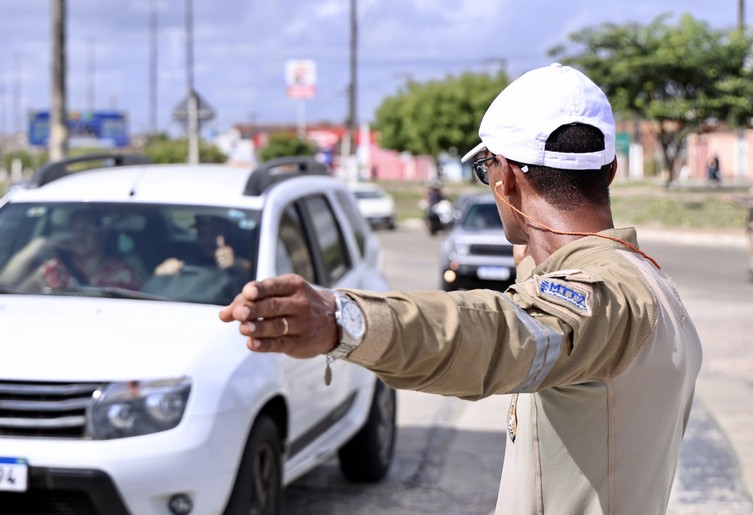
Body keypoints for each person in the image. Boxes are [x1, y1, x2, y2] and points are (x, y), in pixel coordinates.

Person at [219, 63, 703, 514]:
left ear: (504, 177)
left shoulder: (605, 297)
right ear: (611, 170)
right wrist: (532, 258)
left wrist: (341, 320)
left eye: (487, 168)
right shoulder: (647, 279)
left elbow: (500, 333)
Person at [1, 210, 142, 291]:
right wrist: (40, 243)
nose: (80, 234)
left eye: (87, 228)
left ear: (102, 234)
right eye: (75, 228)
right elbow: (7, 285)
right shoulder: (56, 269)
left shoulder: (124, 272)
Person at [154, 214, 252, 277]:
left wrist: (238, 264)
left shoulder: (250, 249)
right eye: (202, 233)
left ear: (229, 232)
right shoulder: (189, 256)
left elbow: (256, 277)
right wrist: (161, 274)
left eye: (214, 232)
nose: (207, 239)